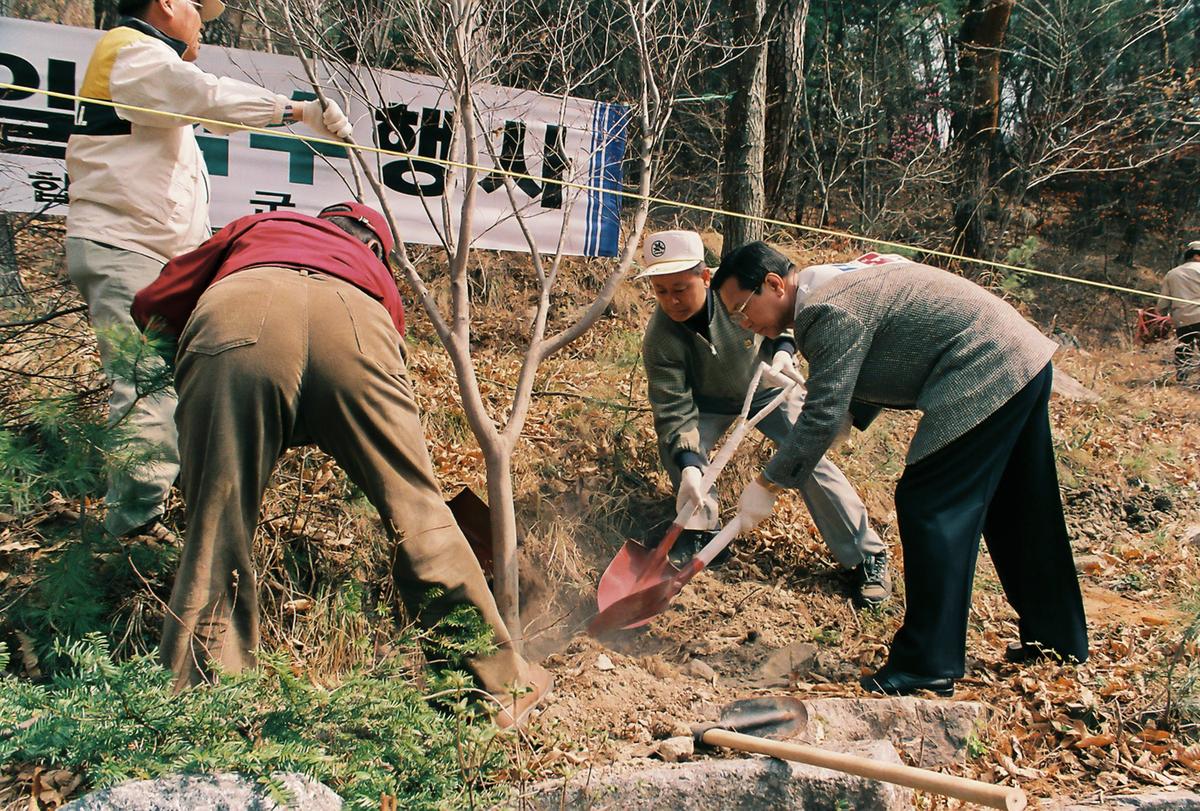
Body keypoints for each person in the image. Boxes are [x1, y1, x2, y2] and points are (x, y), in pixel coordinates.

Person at [131, 202, 551, 728]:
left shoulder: (259, 224)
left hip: (239, 310)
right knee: (418, 513)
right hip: (356, 324)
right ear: (375, 247)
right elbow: (385, 343)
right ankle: (494, 689)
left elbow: (154, 300)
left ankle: (203, 709)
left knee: (217, 526)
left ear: (322, 220)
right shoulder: (371, 268)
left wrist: (200, 377)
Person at [712, 243, 1088, 697]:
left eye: (742, 308)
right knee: (1018, 502)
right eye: (734, 316)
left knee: (930, 502)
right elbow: (884, 340)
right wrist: (849, 414)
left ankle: (927, 662)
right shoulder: (830, 283)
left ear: (774, 284)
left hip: (984, 364)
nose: (743, 322)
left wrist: (770, 482)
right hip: (1021, 356)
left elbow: (821, 412)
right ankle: (1057, 639)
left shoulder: (826, 309)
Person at [66, 0, 353, 537]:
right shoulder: (134, 55)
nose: (205, 20)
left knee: (176, 377)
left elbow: (200, 108)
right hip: (128, 247)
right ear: (168, 4)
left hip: (151, 253)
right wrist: (296, 110)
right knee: (146, 384)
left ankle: (161, 495)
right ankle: (132, 529)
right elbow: (205, 95)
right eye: (199, 7)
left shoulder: (142, 67)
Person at [637, 230, 891, 605]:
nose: (672, 301)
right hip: (705, 403)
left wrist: (785, 350)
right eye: (661, 291)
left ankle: (865, 554)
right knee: (681, 449)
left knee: (807, 455)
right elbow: (672, 406)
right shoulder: (661, 337)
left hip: (766, 387)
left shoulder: (734, 292)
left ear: (705, 277)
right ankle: (701, 530)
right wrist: (690, 464)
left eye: (680, 287)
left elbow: (781, 317)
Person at [1157, 241, 1200, 382]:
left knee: (1185, 346)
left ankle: (1182, 377)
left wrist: (1161, 315)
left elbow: (1163, 302)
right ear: (1197, 256)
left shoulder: (1172, 273)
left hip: (1182, 319)